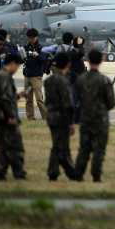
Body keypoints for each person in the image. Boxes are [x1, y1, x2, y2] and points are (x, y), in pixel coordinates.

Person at [72, 49, 115, 182]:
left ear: (88, 61)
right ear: (101, 61)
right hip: (100, 120)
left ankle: (78, 173)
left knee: (84, 148)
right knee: (99, 149)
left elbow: (75, 100)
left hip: (85, 118)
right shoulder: (105, 81)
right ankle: (96, 175)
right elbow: (111, 103)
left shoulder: (80, 80)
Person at [0, 53, 26, 181]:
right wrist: (10, 116)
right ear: (12, 63)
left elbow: (6, 97)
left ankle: (1, 173)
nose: (17, 69)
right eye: (17, 66)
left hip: (1, 117)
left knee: (5, 147)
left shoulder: (3, 76)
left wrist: (18, 96)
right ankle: (18, 173)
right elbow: (4, 100)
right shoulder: (4, 76)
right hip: (5, 118)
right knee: (15, 146)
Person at [44, 52, 76, 180]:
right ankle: (61, 171)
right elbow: (67, 103)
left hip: (51, 115)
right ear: (68, 64)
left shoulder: (48, 81)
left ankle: (60, 171)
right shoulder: (63, 81)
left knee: (58, 144)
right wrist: (71, 122)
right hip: (61, 117)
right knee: (59, 146)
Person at [22, 28, 48, 121]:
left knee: (39, 99)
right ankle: (30, 117)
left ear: (36, 37)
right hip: (27, 75)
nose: (31, 40)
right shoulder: (26, 47)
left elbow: (44, 59)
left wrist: (37, 55)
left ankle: (45, 117)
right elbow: (22, 60)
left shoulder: (41, 47)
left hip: (36, 76)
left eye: (32, 38)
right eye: (29, 38)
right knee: (28, 99)